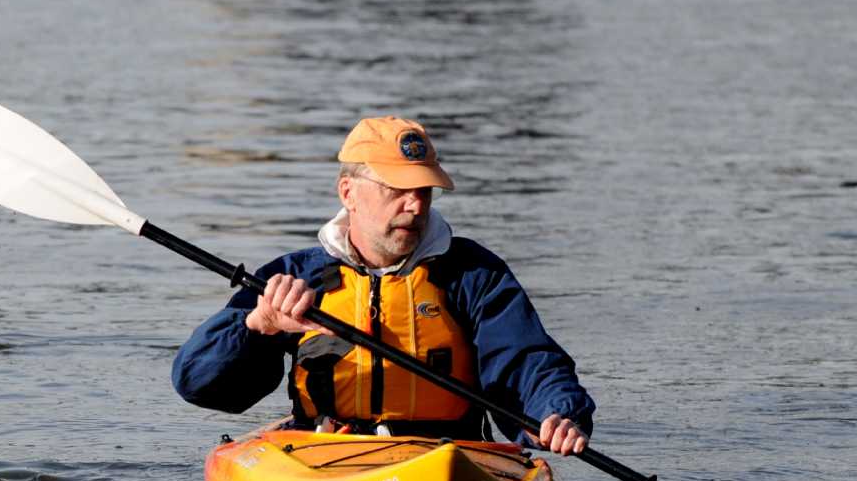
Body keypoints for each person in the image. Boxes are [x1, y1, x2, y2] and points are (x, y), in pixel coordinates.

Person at [170, 116, 592, 455]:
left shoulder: (472, 274)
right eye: (398, 189)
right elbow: (196, 383)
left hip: (446, 459)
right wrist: (258, 326)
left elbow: (525, 361)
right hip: (325, 455)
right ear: (348, 192)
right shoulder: (294, 275)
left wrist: (555, 414)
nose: (416, 205)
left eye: (424, 191)